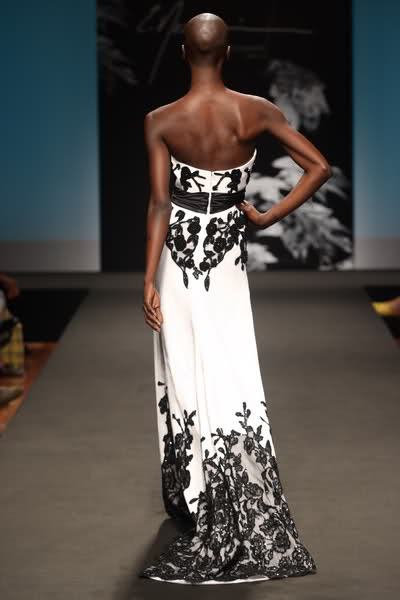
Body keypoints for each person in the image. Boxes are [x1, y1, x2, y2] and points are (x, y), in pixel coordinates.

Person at [139, 13, 332, 585]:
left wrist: (147, 278)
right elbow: (318, 167)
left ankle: (196, 494)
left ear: (183, 53)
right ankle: (229, 487)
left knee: (183, 365)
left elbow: (160, 204)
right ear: (227, 53)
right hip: (225, 257)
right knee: (230, 361)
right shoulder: (256, 111)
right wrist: (267, 217)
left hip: (179, 258)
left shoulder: (160, 120)